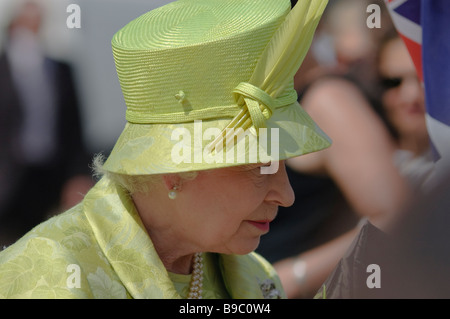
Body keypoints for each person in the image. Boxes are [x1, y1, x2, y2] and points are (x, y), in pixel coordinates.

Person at [0, 0, 331, 299]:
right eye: (259, 165)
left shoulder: (254, 275)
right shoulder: (51, 277)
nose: (285, 195)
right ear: (174, 170)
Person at [0, 0, 92, 245]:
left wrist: (78, 174)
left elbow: (74, 129)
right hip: (7, 179)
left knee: (40, 247)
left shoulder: (61, 70)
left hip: (48, 177)